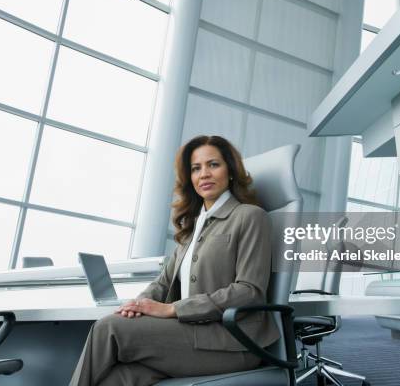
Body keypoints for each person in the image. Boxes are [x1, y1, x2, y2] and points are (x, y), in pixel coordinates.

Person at [69, 135, 278, 386]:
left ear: (230, 171)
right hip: (193, 336)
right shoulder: (193, 227)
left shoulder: (250, 217)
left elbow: (249, 291)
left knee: (109, 328)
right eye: (196, 168)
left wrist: (172, 309)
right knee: (117, 379)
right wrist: (138, 304)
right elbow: (163, 282)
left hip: (234, 342)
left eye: (213, 165)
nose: (204, 174)